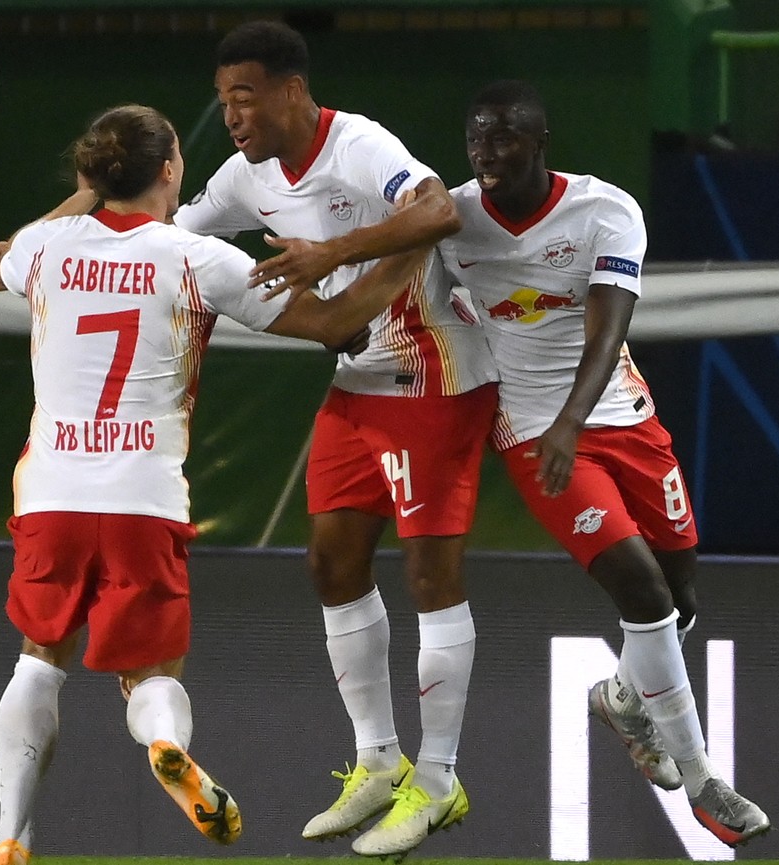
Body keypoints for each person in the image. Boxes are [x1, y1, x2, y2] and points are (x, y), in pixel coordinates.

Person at [0, 103, 432, 865]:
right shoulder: (198, 258)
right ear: (171, 170)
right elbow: (338, 324)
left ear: (92, 174)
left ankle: (11, 834)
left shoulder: (41, 247)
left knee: (37, 656)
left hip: (51, 493)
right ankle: (166, 740)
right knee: (151, 673)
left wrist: (79, 194)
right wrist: (410, 248)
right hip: (144, 498)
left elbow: (2, 256)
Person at [170, 21, 499, 857]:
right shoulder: (245, 177)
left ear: (289, 89)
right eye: (222, 101)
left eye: (244, 96)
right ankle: (379, 762)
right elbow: (167, 229)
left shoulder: (356, 143)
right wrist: (49, 233)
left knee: (430, 573)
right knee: (329, 561)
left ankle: (440, 778)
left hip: (434, 370)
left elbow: (436, 210)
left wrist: (333, 253)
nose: (233, 115)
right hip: (359, 381)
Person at [439, 79, 769, 847]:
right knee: (643, 589)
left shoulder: (604, 210)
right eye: (476, 136)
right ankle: (702, 781)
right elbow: (418, 299)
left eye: (504, 135)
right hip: (532, 433)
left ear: (540, 140)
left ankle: (625, 696)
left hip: (620, 418)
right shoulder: (449, 222)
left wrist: (573, 420)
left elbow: (607, 330)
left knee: (683, 596)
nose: (487, 149)